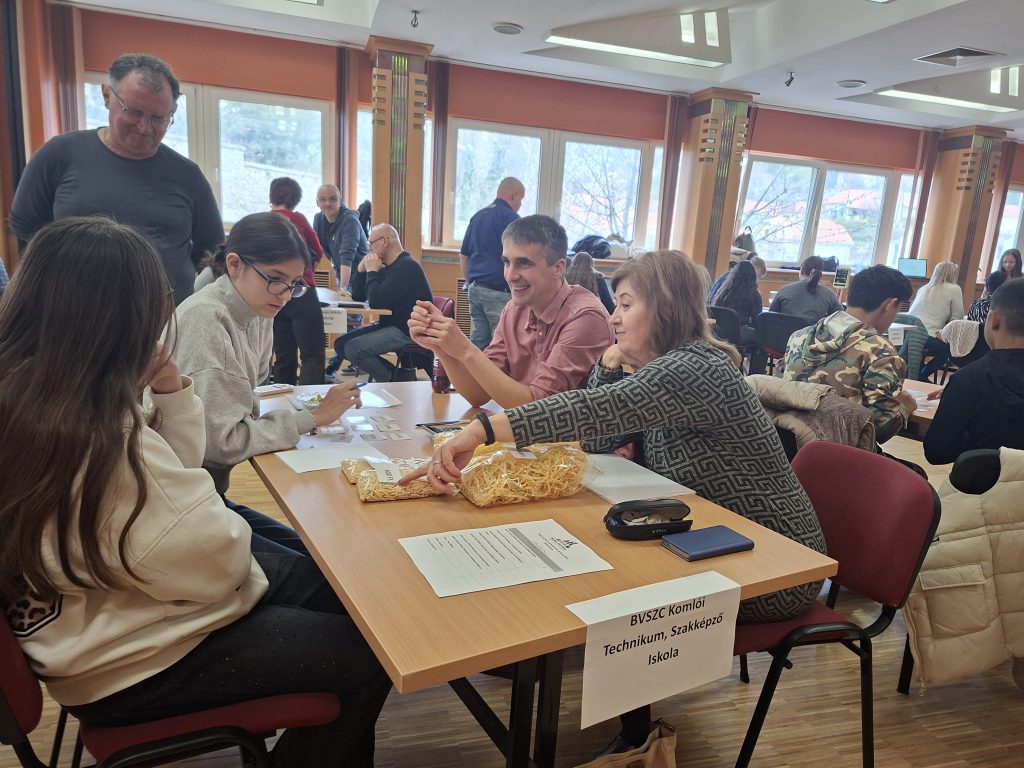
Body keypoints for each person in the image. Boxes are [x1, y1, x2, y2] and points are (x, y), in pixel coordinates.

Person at [0, 216, 390, 768]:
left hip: (89, 628)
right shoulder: (101, 439)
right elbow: (218, 565)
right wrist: (217, 516)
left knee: (327, 589)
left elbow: (173, 480)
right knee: (374, 653)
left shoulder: (42, 395)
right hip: (129, 664)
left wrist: (170, 393)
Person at [404, 249, 825, 752]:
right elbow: (601, 438)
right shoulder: (664, 367)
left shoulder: (696, 368)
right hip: (718, 538)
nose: (613, 317)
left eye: (626, 304)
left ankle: (632, 737)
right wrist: (610, 365)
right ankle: (582, 694)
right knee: (598, 556)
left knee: (614, 579)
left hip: (777, 565)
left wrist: (483, 430)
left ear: (665, 308)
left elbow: (589, 412)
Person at [175, 213, 361, 551]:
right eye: (275, 279)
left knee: (314, 553)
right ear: (234, 264)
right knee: (318, 569)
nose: (286, 295)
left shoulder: (257, 308)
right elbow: (220, 445)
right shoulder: (207, 319)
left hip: (207, 494)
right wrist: (312, 418)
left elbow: (245, 401)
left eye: (294, 283)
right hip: (181, 507)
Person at [8, 53, 222, 305]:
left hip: (165, 318)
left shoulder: (188, 175)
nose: (145, 127)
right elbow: (26, 229)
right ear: (107, 96)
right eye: (134, 112)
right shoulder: (59, 154)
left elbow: (211, 251)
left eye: (158, 118)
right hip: (73, 312)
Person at [408, 215, 615, 408]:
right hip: (528, 434)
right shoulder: (514, 309)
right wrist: (441, 346)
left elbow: (538, 409)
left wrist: (465, 348)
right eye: (507, 262)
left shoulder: (585, 317)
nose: (510, 275)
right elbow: (478, 394)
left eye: (524, 263)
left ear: (558, 268)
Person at [779, 265, 917, 443]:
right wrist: (905, 407)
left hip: (787, 445)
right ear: (890, 305)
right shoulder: (880, 352)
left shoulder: (799, 336)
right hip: (839, 452)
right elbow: (880, 430)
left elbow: (779, 389)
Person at [924, 277, 1024, 464]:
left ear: (994, 319)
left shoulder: (969, 379)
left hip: (983, 481)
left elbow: (936, 452)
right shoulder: (969, 379)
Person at [328, 223, 433, 383]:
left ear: (385, 240)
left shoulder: (406, 266)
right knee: (341, 344)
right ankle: (400, 375)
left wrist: (371, 272)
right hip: (390, 325)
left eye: (372, 243)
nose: (369, 248)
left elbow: (376, 302)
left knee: (353, 348)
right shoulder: (385, 266)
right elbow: (358, 295)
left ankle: (393, 378)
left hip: (408, 330)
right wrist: (362, 269)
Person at [269, 177, 327, 385]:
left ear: (271, 196)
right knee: (312, 355)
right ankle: (310, 403)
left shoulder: (264, 221)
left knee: (283, 356)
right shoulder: (298, 219)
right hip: (302, 291)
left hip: (273, 292)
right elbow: (318, 251)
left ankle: (282, 400)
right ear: (296, 198)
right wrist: (307, 270)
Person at [461, 177, 525, 348]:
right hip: (499, 292)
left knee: (478, 342)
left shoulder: (477, 217)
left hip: (475, 289)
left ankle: (472, 367)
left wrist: (469, 282)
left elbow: (463, 255)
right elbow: (522, 256)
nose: (520, 204)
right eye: (521, 200)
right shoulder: (512, 220)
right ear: (515, 195)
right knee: (502, 344)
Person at [908, 261, 964, 379]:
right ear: (952, 274)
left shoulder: (923, 288)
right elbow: (957, 318)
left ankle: (917, 376)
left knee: (920, 352)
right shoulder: (954, 289)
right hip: (928, 335)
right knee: (947, 352)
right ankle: (921, 377)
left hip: (908, 333)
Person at [313, 183, 367, 294]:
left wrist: (343, 289)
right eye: (323, 199)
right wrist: (308, 282)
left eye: (333, 199)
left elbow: (347, 256)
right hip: (341, 274)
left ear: (340, 201)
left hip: (361, 278)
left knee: (345, 302)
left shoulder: (350, 220)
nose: (328, 203)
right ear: (317, 202)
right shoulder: (318, 219)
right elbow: (316, 251)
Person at [768, 255, 842, 326]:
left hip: (783, 334)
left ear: (802, 270)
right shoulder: (828, 294)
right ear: (820, 274)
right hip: (811, 334)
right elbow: (840, 319)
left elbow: (770, 316)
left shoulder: (784, 289)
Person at [711, 260, 763, 345]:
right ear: (753, 276)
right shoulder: (754, 294)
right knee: (761, 336)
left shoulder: (723, 290)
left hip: (718, 331)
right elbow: (757, 320)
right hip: (739, 333)